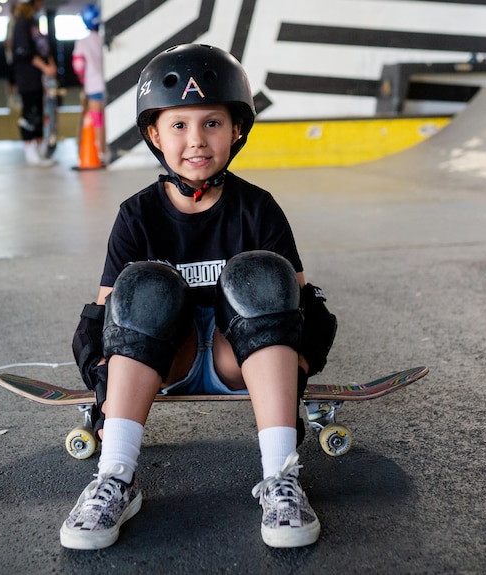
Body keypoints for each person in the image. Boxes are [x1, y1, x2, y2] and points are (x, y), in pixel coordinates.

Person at [61, 44, 337, 551]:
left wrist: (297, 365)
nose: (196, 141)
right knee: (144, 285)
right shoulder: (137, 215)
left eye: (212, 123)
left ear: (236, 130)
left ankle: (281, 479)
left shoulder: (259, 209)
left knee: (261, 274)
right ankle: (115, 479)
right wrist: (104, 383)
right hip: (169, 356)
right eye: (179, 126)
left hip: (243, 356)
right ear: (154, 134)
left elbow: (305, 309)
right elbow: (105, 319)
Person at [12, 0, 57, 166]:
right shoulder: (21, 23)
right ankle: (30, 151)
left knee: (38, 112)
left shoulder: (32, 21)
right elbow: (24, 52)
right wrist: (45, 67)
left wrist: (50, 63)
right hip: (27, 76)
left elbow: (43, 47)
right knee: (30, 113)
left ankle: (40, 152)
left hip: (38, 77)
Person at [72, 3, 107, 164]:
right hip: (106, 84)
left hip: (92, 86)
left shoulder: (82, 42)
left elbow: (78, 65)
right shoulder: (102, 39)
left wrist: (81, 79)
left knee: (96, 119)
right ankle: (106, 150)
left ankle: (99, 152)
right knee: (106, 118)